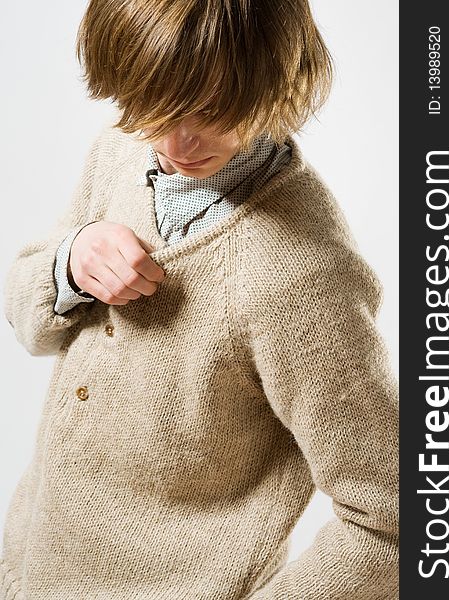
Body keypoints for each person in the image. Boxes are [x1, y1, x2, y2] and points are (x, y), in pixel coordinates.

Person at [0, 1, 399, 599]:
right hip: (31, 566)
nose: (173, 142)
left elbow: (393, 514)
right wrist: (71, 263)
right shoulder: (121, 149)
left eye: (209, 110)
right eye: (149, 108)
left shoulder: (303, 274)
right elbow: (28, 323)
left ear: (276, 80)